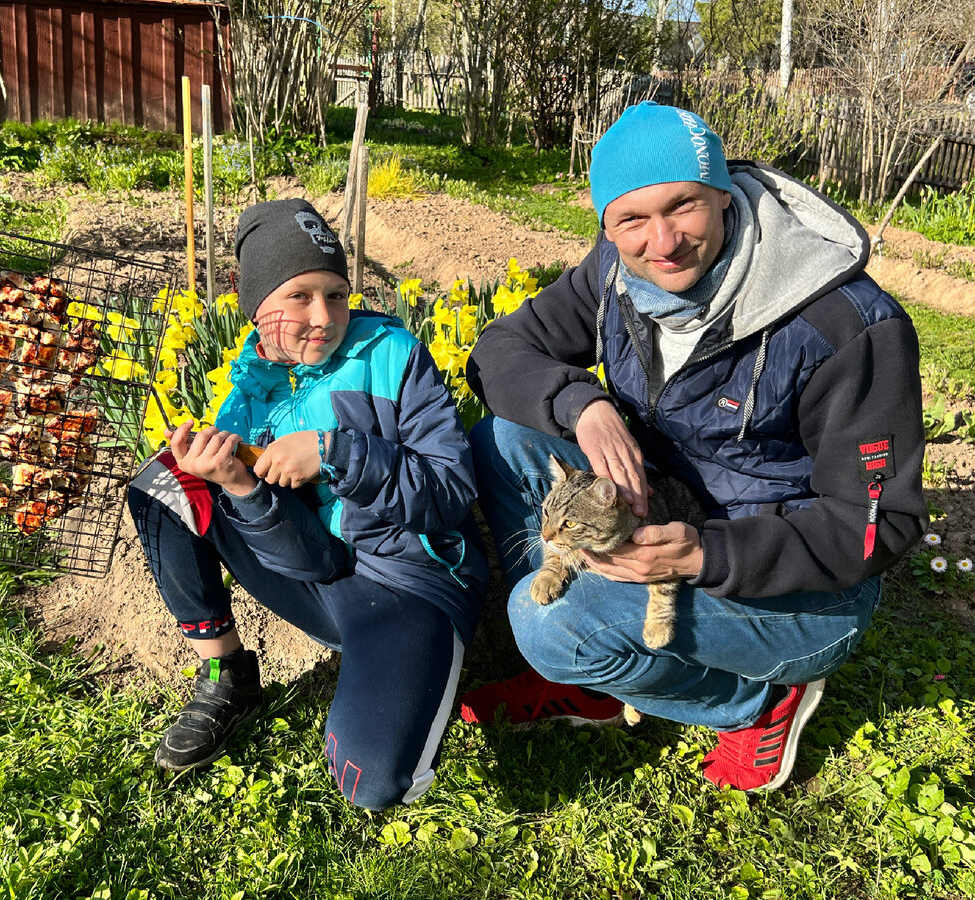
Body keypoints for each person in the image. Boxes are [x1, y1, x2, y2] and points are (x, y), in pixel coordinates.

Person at [458, 102, 926, 792]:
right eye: (632, 220)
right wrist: (580, 403)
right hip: (663, 503)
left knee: (544, 619)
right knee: (505, 437)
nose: (663, 242)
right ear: (607, 223)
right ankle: (599, 676)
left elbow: (878, 524)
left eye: (684, 207)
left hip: (797, 590)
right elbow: (499, 350)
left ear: (724, 194)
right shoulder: (614, 276)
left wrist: (708, 553)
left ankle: (756, 703)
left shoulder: (845, 324)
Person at [128, 198, 487, 810]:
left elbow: (451, 488)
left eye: (337, 294)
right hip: (321, 573)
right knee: (167, 481)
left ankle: (399, 664)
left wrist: (335, 453)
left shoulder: (394, 356)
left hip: (408, 582)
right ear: (256, 303)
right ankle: (226, 676)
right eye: (299, 296)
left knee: (371, 783)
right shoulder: (250, 386)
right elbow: (307, 561)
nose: (323, 317)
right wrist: (242, 490)